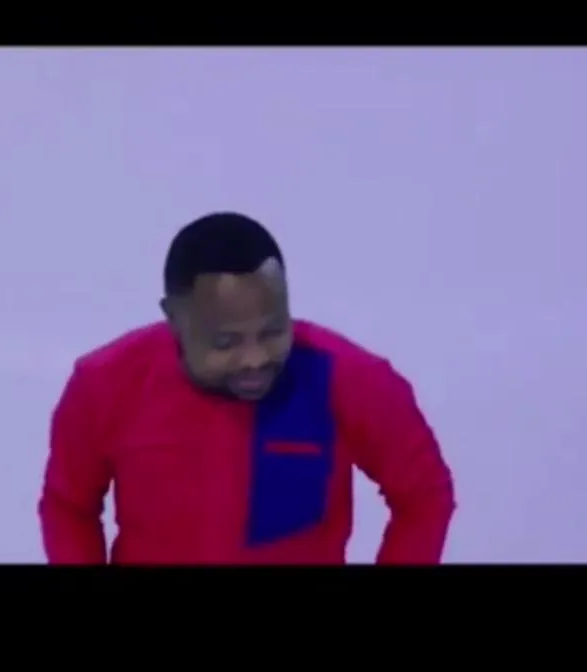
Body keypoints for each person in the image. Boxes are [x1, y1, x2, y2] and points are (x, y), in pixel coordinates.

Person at [38, 212, 456, 564]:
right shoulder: (104, 385)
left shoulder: (350, 379)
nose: (254, 358)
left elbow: (424, 494)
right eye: (226, 342)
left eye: (272, 331)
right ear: (175, 319)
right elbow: (69, 506)